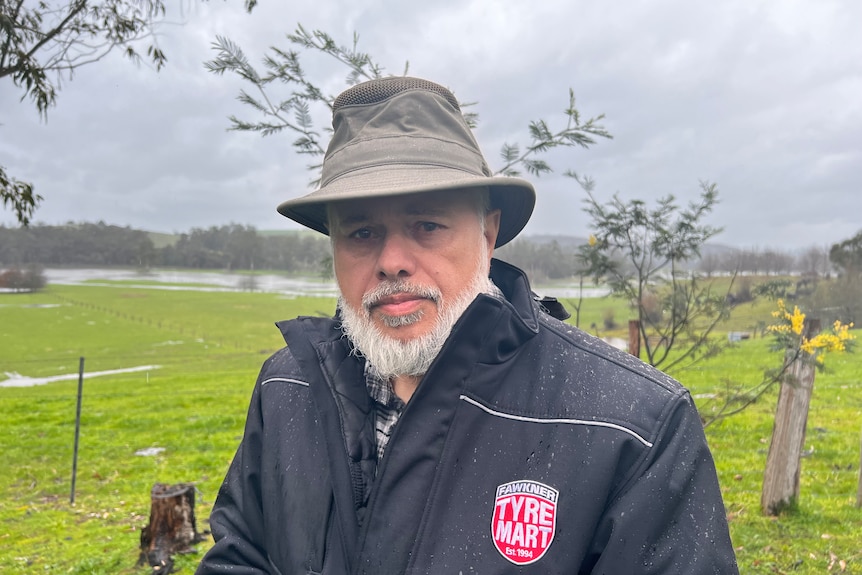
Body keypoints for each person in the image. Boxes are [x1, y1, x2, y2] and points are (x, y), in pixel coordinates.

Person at [196, 77, 739, 574]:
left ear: (488, 232)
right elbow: (241, 555)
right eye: (361, 233)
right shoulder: (287, 386)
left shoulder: (631, 426)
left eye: (426, 225)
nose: (391, 261)